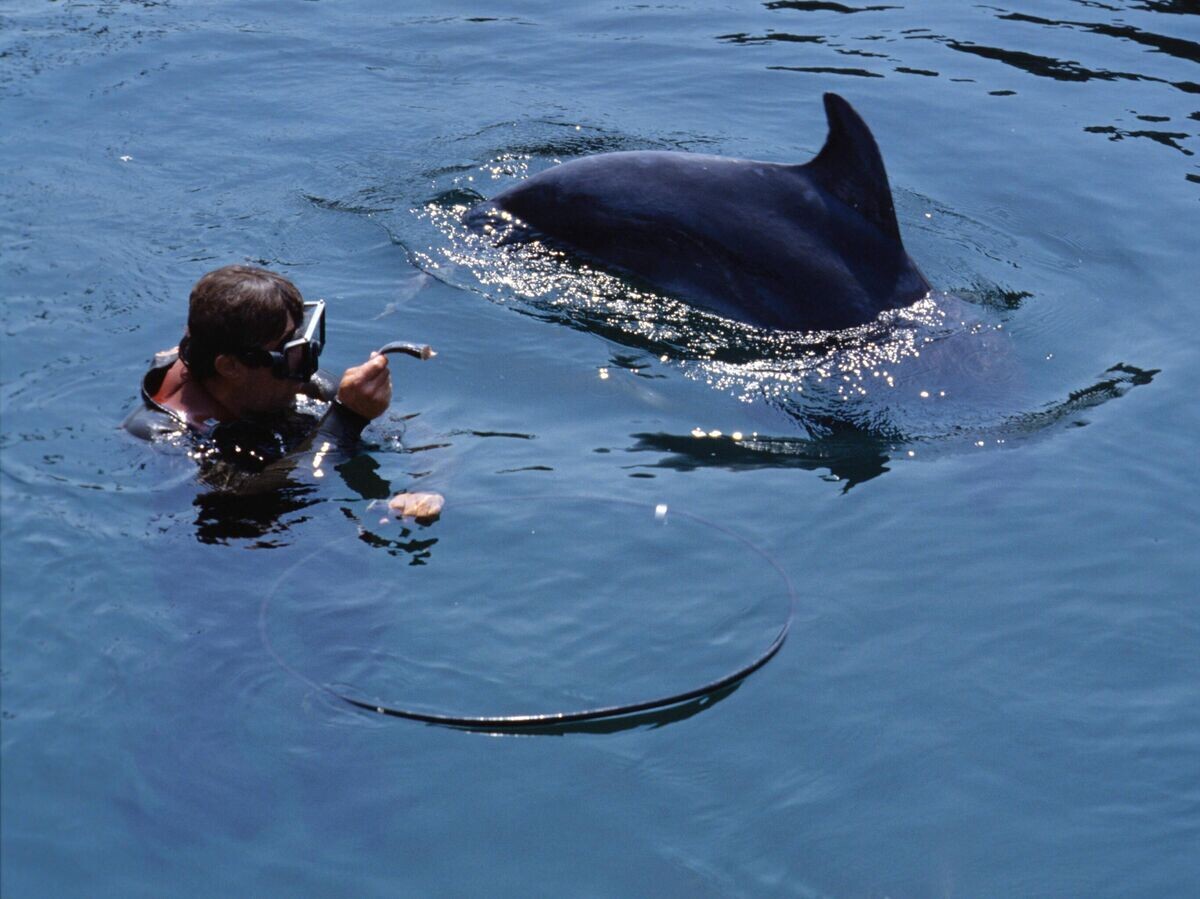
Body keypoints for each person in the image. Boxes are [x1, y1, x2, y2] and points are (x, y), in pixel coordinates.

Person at [124, 264, 443, 520]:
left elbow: (417, 433)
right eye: (290, 351)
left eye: (302, 341)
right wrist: (345, 419)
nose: (306, 366)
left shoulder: (277, 374)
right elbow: (246, 503)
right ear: (230, 367)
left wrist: (425, 487)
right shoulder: (163, 436)